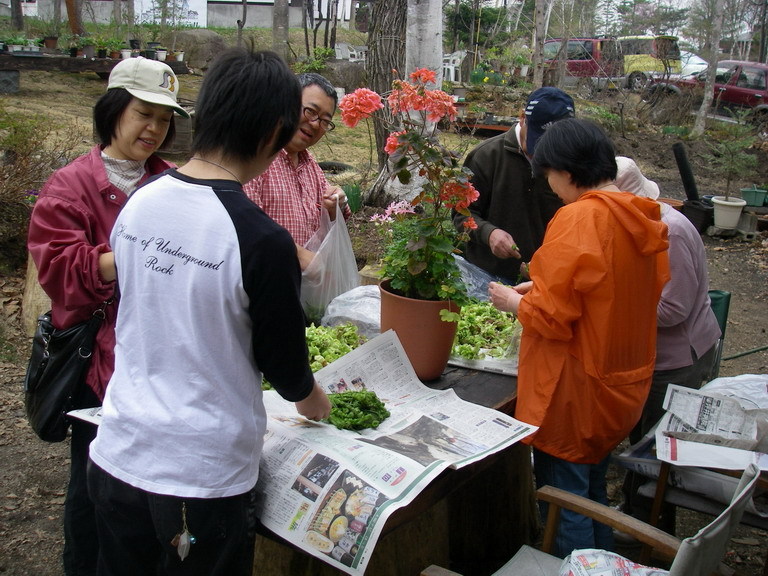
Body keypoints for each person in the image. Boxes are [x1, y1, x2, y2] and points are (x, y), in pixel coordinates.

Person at [87, 49, 331, 575]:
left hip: (117, 453)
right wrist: (318, 404)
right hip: (198, 479)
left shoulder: (142, 200)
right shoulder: (260, 239)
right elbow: (287, 372)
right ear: (273, 131)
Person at [27, 56, 188, 576]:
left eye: (165, 120)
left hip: (164, 364)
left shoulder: (174, 183)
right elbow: (60, 274)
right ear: (113, 110)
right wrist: (144, 249)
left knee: (151, 499)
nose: (155, 129)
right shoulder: (70, 187)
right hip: (103, 369)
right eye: (144, 114)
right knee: (93, 492)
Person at [487, 119, 670, 557]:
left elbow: (551, 319)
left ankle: (578, 566)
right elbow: (609, 292)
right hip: (620, 386)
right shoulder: (638, 216)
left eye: (549, 175)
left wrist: (514, 304)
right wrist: (545, 288)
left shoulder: (579, 218)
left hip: (574, 393)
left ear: (567, 171)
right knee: (593, 495)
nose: (550, 186)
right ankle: (605, 564)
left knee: (566, 504)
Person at [615, 156, 721, 532]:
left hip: (680, 356)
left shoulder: (670, 231)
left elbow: (672, 309)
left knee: (654, 446)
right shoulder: (643, 225)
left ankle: (646, 528)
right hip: (655, 353)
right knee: (643, 433)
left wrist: (611, 308)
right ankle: (634, 506)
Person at [453, 87, 574, 283]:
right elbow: (461, 214)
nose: (541, 155)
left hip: (548, 280)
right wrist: (489, 233)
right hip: (488, 278)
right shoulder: (486, 156)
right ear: (522, 118)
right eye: (538, 142)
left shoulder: (570, 163)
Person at [243, 72, 351, 270]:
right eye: (310, 111)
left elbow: (336, 222)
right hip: (263, 284)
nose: (316, 124)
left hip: (306, 288)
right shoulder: (255, 158)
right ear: (286, 103)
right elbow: (247, 228)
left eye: (325, 121)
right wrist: (301, 257)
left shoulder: (310, 166)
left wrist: (337, 205)